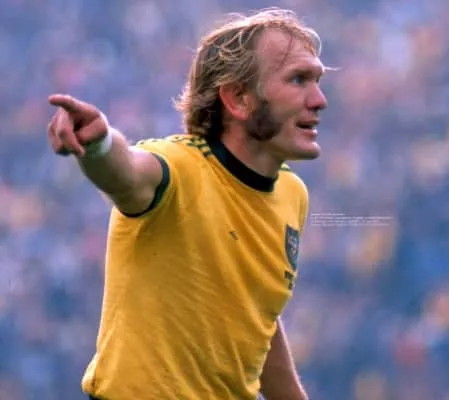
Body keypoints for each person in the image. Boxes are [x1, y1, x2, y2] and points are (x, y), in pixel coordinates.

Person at [47, 8, 328, 400]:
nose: (319, 100)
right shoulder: (179, 169)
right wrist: (99, 145)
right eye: (298, 79)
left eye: (317, 80)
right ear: (238, 99)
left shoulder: (292, 194)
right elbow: (126, 174)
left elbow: (255, 316)